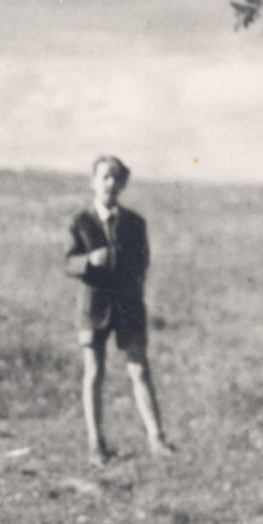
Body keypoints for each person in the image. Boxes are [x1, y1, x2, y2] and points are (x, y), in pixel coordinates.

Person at [65, 155, 172, 465]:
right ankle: (96, 444)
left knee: (139, 368)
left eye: (115, 178)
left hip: (127, 304)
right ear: (93, 182)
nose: (109, 183)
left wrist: (131, 285)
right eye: (104, 177)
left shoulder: (135, 223)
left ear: (123, 183)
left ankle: (157, 438)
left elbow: (143, 261)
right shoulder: (80, 222)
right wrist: (89, 261)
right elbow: (67, 262)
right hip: (93, 306)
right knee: (94, 371)